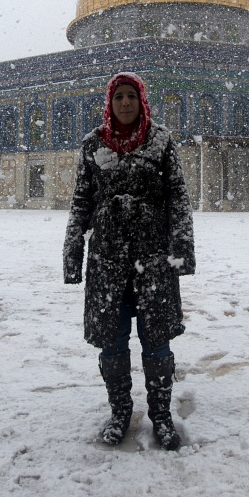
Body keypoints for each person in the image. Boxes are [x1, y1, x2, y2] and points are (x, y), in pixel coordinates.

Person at [63, 72, 195, 450]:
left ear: (141, 101)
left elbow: (177, 199)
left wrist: (181, 249)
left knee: (157, 342)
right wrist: (73, 250)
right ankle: (120, 412)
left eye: (131, 97)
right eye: (119, 97)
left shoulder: (160, 142)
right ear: (110, 101)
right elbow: (81, 202)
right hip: (108, 259)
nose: (125, 103)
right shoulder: (93, 144)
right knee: (113, 340)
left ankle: (161, 416)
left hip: (153, 258)